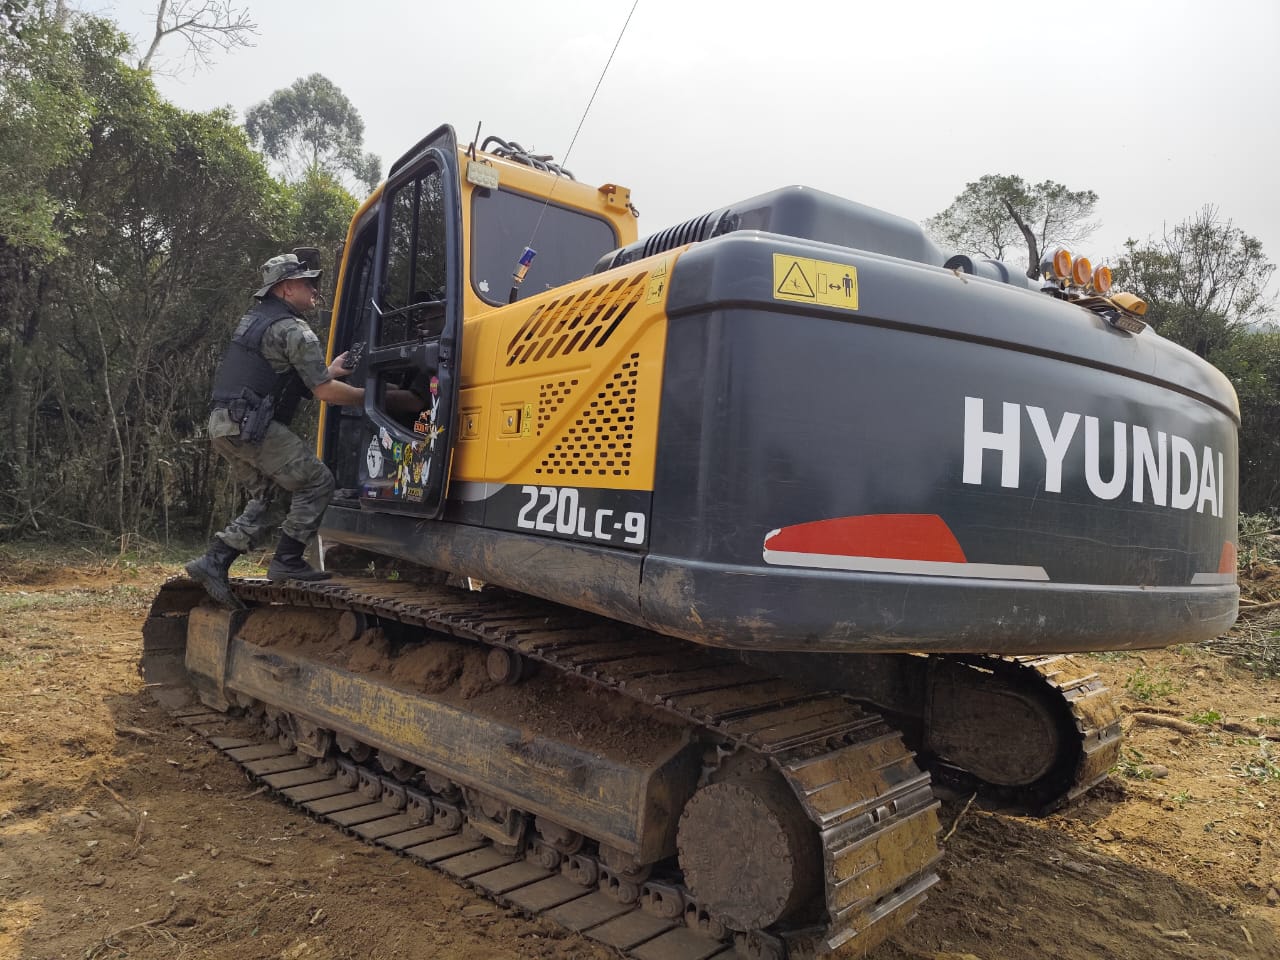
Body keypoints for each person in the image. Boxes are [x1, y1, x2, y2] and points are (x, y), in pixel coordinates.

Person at [184, 253, 364, 608]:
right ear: (285, 288)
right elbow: (324, 392)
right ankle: (288, 561)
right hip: (252, 426)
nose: (315, 290)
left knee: (275, 497)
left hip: (225, 425)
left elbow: (279, 377)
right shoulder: (295, 329)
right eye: (308, 283)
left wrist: (330, 370)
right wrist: (371, 399)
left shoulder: (258, 321)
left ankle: (214, 561)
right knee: (317, 481)